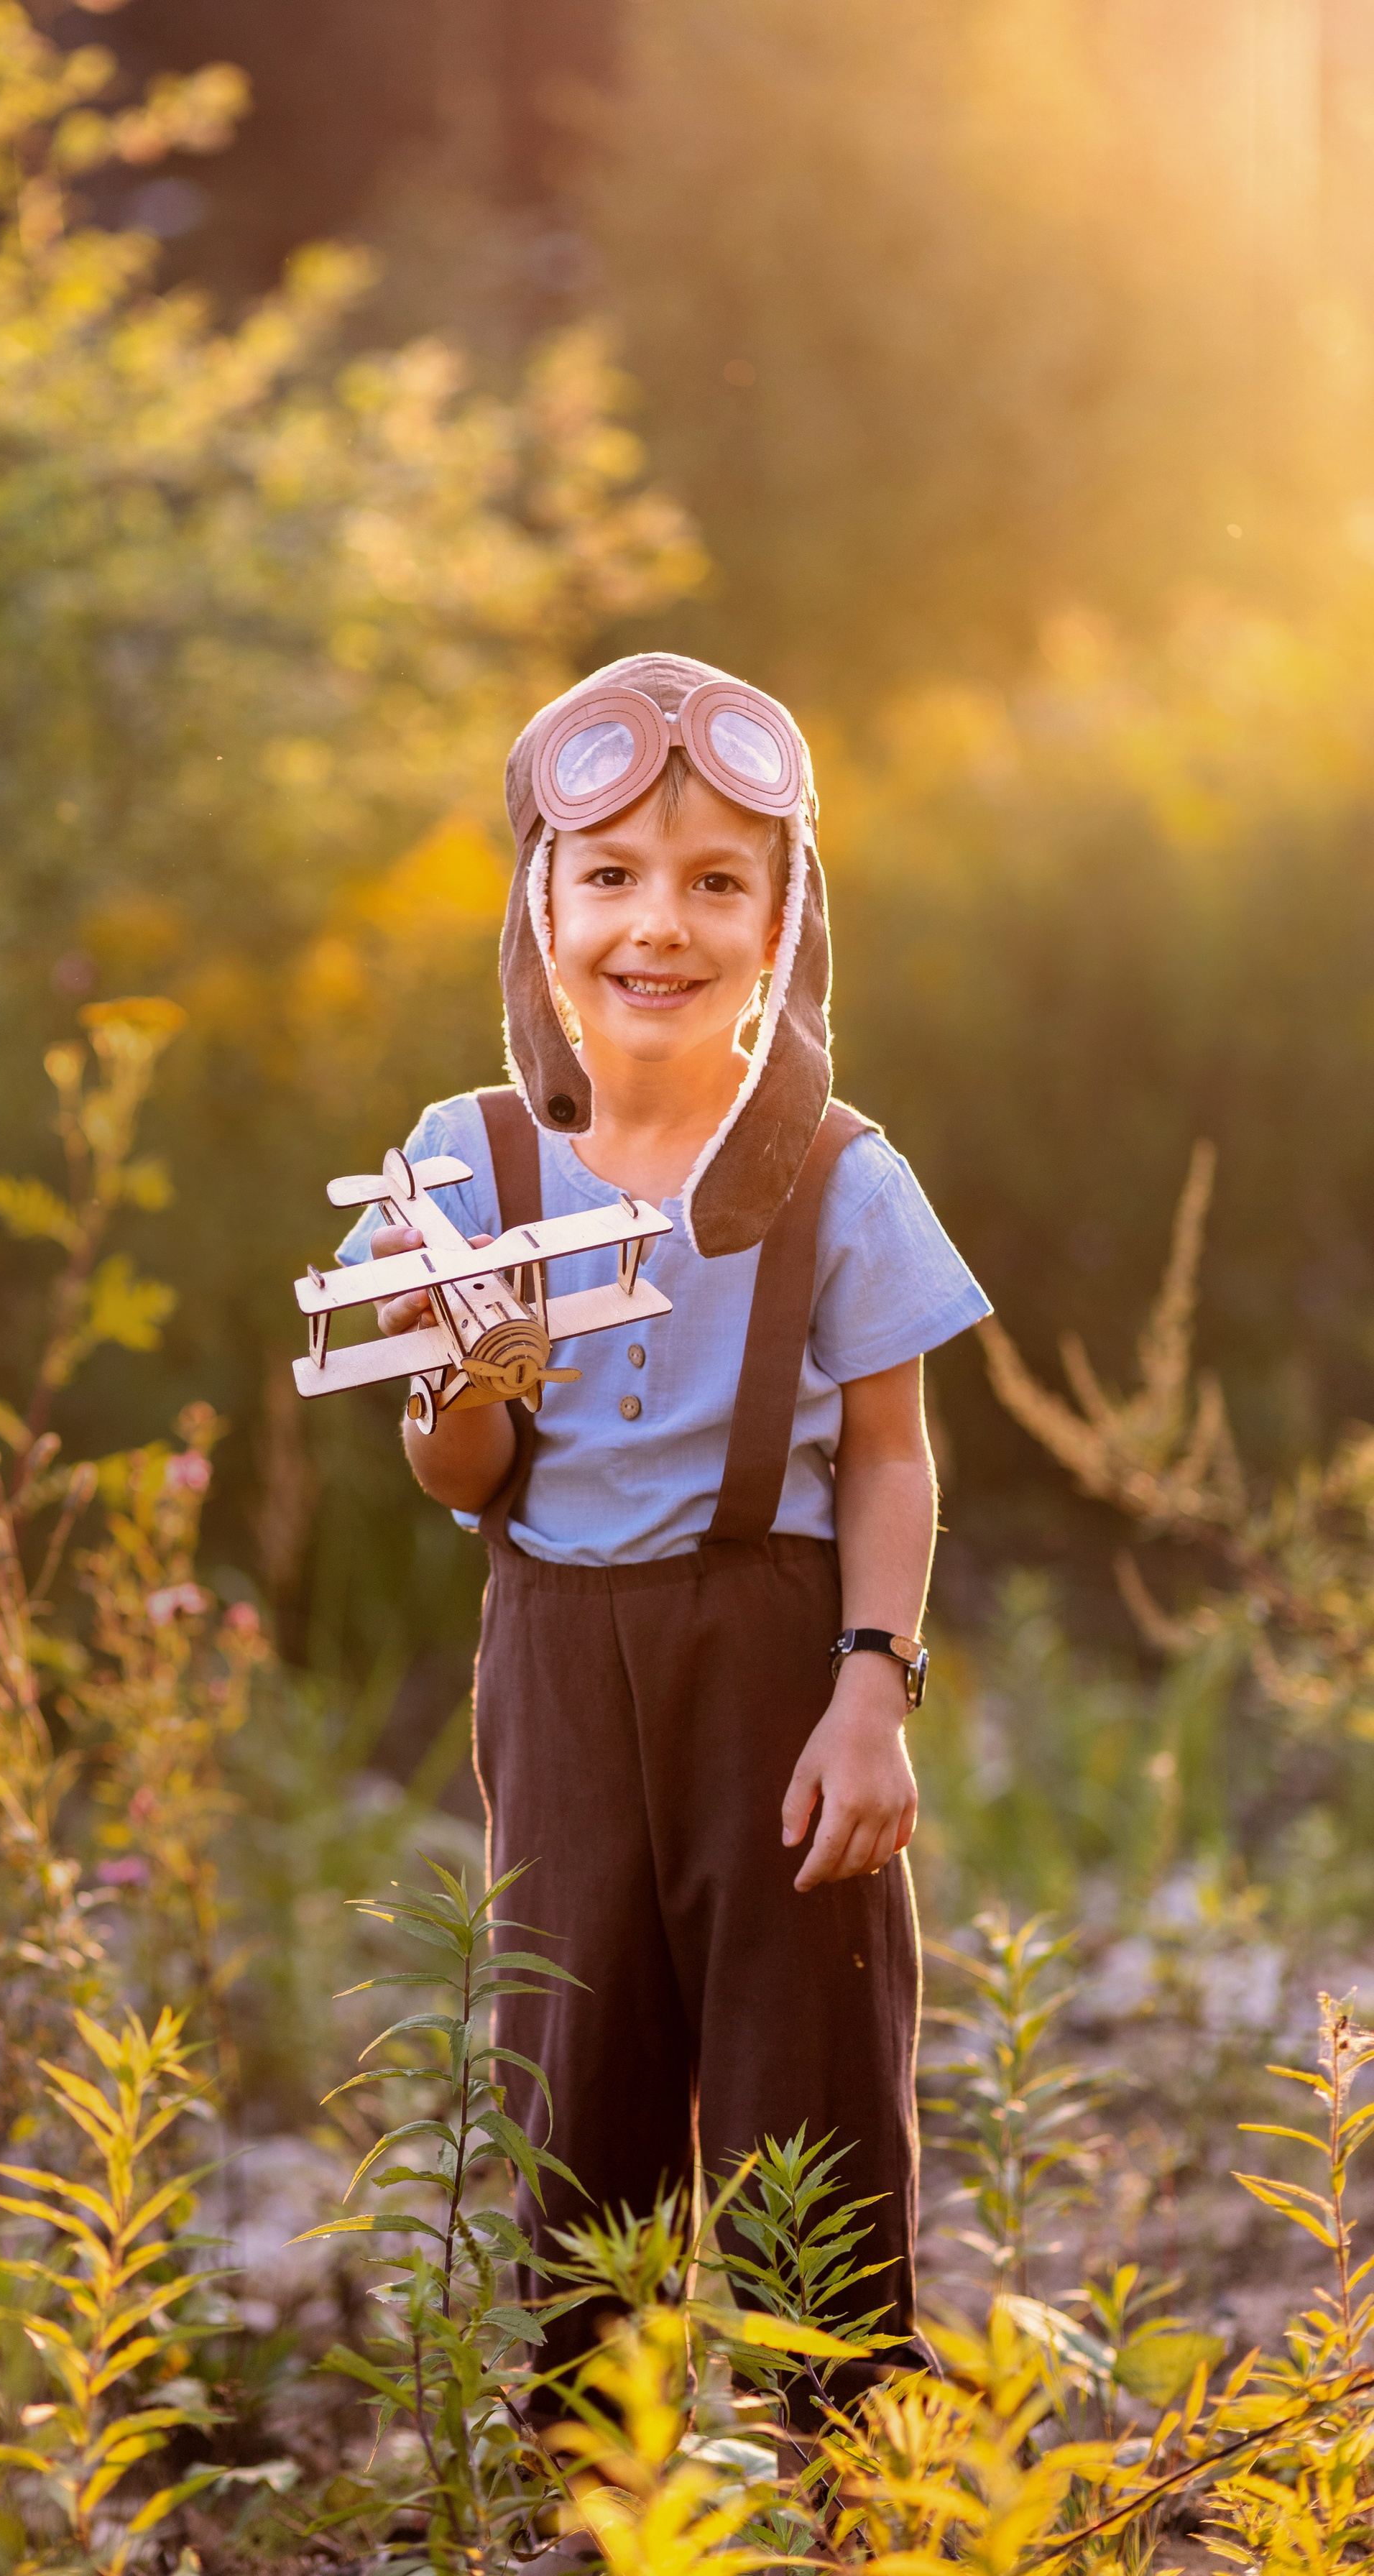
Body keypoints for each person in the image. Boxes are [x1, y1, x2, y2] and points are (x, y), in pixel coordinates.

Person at [336, 652, 990, 2415]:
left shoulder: (840, 1172)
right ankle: (589, 2469)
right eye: (610, 874)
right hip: (552, 1652)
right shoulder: (461, 1162)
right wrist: (462, 1380)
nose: (659, 924)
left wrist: (870, 1687)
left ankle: (840, 2458)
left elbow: (887, 1456)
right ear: (541, 905)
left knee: (809, 2057)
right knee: (573, 2041)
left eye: (716, 882)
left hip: (774, 1653)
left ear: (781, 921)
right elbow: (463, 1478)